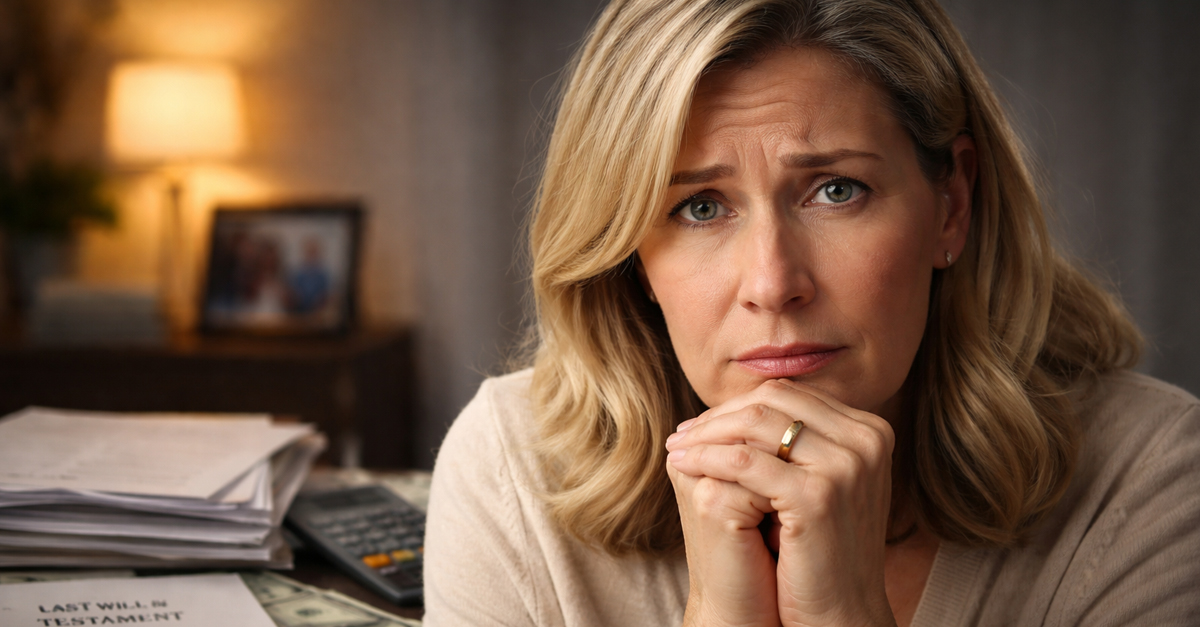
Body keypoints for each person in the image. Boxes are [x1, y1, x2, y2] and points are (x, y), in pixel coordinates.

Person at [422, 0, 1200, 625]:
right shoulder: (513, 470)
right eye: (699, 206)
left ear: (951, 206)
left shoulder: (1148, 481)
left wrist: (844, 614)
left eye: (836, 190)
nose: (772, 282)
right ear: (632, 255)